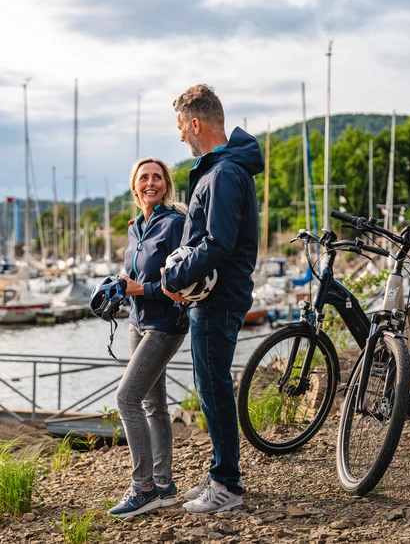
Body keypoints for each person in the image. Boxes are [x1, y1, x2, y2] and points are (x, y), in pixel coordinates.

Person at [161, 84, 264, 514]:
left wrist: (175, 276)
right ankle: (220, 470)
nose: (181, 136)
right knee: (210, 386)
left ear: (196, 123)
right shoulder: (223, 169)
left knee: (213, 388)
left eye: (182, 127)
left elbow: (218, 243)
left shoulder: (222, 174)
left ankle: (227, 485)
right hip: (219, 296)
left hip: (219, 298)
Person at [108, 157, 189, 519]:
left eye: (157, 177)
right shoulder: (134, 227)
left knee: (126, 399)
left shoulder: (175, 224)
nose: (151, 182)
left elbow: (183, 281)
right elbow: (133, 276)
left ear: (166, 185)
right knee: (153, 404)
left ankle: (142, 489)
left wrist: (145, 289)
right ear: (135, 187)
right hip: (136, 323)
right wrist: (118, 289)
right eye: (144, 178)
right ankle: (164, 486)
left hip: (165, 324)